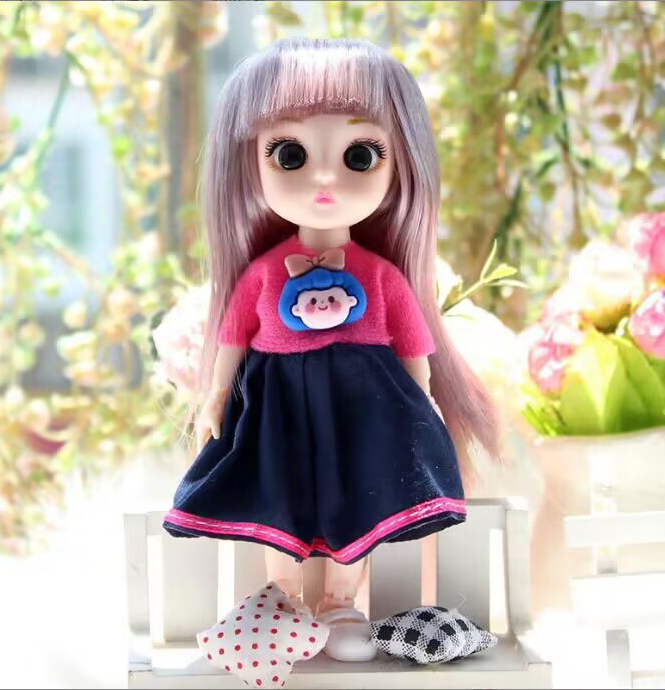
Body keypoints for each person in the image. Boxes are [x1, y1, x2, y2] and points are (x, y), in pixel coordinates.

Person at [164, 37, 499, 662]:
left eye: (359, 155)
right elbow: (232, 335)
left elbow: (414, 346)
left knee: (362, 492)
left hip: (364, 405)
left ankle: (342, 602)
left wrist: (423, 403)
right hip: (278, 403)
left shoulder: (381, 275)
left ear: (401, 165)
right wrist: (215, 396)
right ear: (251, 163)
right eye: (289, 154)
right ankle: (282, 599)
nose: (323, 178)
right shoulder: (264, 273)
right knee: (277, 493)